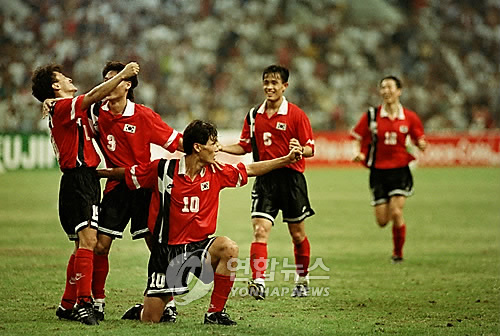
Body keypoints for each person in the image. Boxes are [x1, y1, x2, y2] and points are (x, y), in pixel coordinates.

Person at [98, 120, 302, 324]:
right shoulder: (162, 169)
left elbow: (250, 169)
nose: (217, 148)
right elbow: (127, 174)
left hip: (198, 249)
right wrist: (95, 173)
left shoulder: (217, 172)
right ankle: (141, 310)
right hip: (165, 253)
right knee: (150, 320)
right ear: (197, 147)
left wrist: (285, 160)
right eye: (213, 143)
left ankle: (215, 313)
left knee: (228, 248)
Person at [31, 62, 140, 325]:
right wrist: (124, 75)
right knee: (89, 241)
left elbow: (95, 104)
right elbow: (93, 96)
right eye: (63, 77)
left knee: (83, 245)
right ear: (56, 86)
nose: (70, 78)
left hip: (86, 180)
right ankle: (84, 303)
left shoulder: (69, 108)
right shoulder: (62, 106)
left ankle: (67, 304)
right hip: (78, 180)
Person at [88, 61, 183, 321]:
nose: (108, 84)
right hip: (116, 189)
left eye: (116, 78)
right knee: (100, 246)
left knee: (157, 247)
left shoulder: (144, 115)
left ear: (127, 84)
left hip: (144, 188)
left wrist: (204, 152)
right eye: (106, 79)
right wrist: (50, 103)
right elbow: (71, 112)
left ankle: (169, 303)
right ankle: (98, 302)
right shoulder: (97, 113)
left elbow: (176, 142)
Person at [220, 65, 315, 299]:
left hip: (291, 180)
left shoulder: (296, 115)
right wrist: (221, 146)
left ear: (285, 86)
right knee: (260, 230)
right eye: (266, 82)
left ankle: (302, 279)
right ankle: (258, 282)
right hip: (264, 179)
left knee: (298, 235)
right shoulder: (254, 115)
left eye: (274, 83)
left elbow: (311, 149)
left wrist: (300, 149)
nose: (269, 87)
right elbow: (244, 145)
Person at [351, 75, 427, 263]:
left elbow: (419, 138)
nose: (386, 91)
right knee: (382, 221)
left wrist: (422, 144)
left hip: (400, 170)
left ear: (399, 91)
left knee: (396, 212)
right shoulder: (372, 116)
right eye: (383, 87)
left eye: (390, 87)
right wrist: (359, 153)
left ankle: (398, 254)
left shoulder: (409, 117)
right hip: (378, 171)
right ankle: (396, 242)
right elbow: (357, 137)